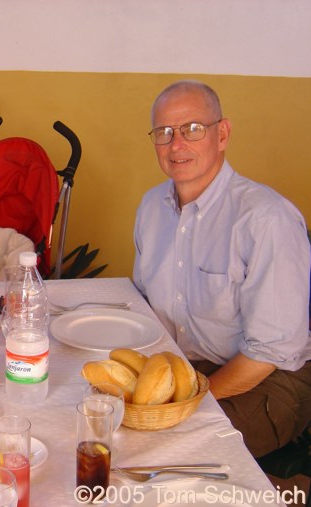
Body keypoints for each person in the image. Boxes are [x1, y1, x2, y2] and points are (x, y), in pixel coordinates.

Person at [133, 80, 311, 458]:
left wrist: (188, 400)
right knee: (101, 415)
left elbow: (271, 351)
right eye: (163, 133)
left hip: (266, 380)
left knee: (162, 449)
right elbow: (145, 303)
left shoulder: (265, 219)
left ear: (222, 134)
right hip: (184, 366)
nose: (176, 144)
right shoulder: (152, 207)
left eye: (192, 129)